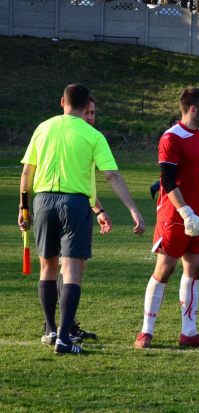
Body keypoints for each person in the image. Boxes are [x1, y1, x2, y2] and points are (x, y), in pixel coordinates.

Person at [19, 83, 146, 355]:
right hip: (74, 204)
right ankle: (64, 339)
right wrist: (133, 209)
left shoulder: (43, 127)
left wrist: (24, 208)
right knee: (72, 272)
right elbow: (111, 175)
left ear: (62, 101)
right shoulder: (93, 135)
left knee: (47, 269)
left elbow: (27, 173)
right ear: (86, 103)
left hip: (41, 202)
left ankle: (51, 330)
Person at [134, 87, 199, 350]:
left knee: (195, 268)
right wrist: (186, 213)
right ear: (193, 109)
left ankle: (189, 333)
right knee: (165, 270)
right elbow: (167, 180)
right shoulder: (170, 138)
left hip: (198, 212)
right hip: (175, 214)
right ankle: (146, 332)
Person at [49, 95, 109, 343]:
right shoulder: (72, 137)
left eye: (94, 113)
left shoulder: (87, 139)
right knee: (65, 267)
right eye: (87, 112)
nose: (91, 117)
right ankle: (58, 328)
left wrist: (99, 211)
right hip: (66, 209)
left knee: (73, 268)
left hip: (79, 207)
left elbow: (84, 184)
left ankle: (65, 325)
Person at [150, 117, 181, 199]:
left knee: (170, 177)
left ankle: (155, 187)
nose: (179, 125)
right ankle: (155, 187)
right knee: (168, 177)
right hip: (168, 160)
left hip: (173, 160)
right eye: (177, 123)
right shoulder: (169, 135)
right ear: (172, 124)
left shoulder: (176, 134)